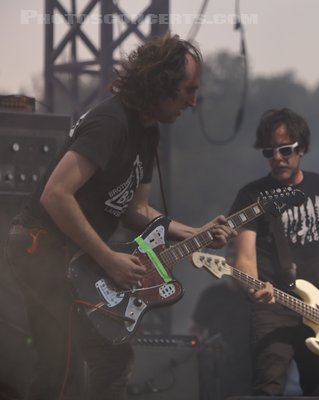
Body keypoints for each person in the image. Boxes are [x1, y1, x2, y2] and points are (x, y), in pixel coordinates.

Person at [4, 33, 235, 400]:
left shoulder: (147, 132)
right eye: (187, 90)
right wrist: (108, 258)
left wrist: (197, 232)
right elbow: (56, 194)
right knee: (60, 365)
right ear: (161, 85)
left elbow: (136, 209)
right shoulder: (110, 123)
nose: (193, 102)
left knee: (111, 359)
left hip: (77, 257)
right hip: (41, 249)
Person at [229, 108, 319, 396]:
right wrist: (252, 286)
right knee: (268, 389)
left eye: (286, 150)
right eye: (269, 151)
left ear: (302, 148)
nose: (277, 157)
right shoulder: (253, 196)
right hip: (273, 309)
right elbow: (244, 257)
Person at [189, 275, 252, 399]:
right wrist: (198, 352)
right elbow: (195, 329)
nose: (235, 262)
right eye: (231, 256)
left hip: (249, 365)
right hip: (217, 364)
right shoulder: (212, 293)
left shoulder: (253, 296)